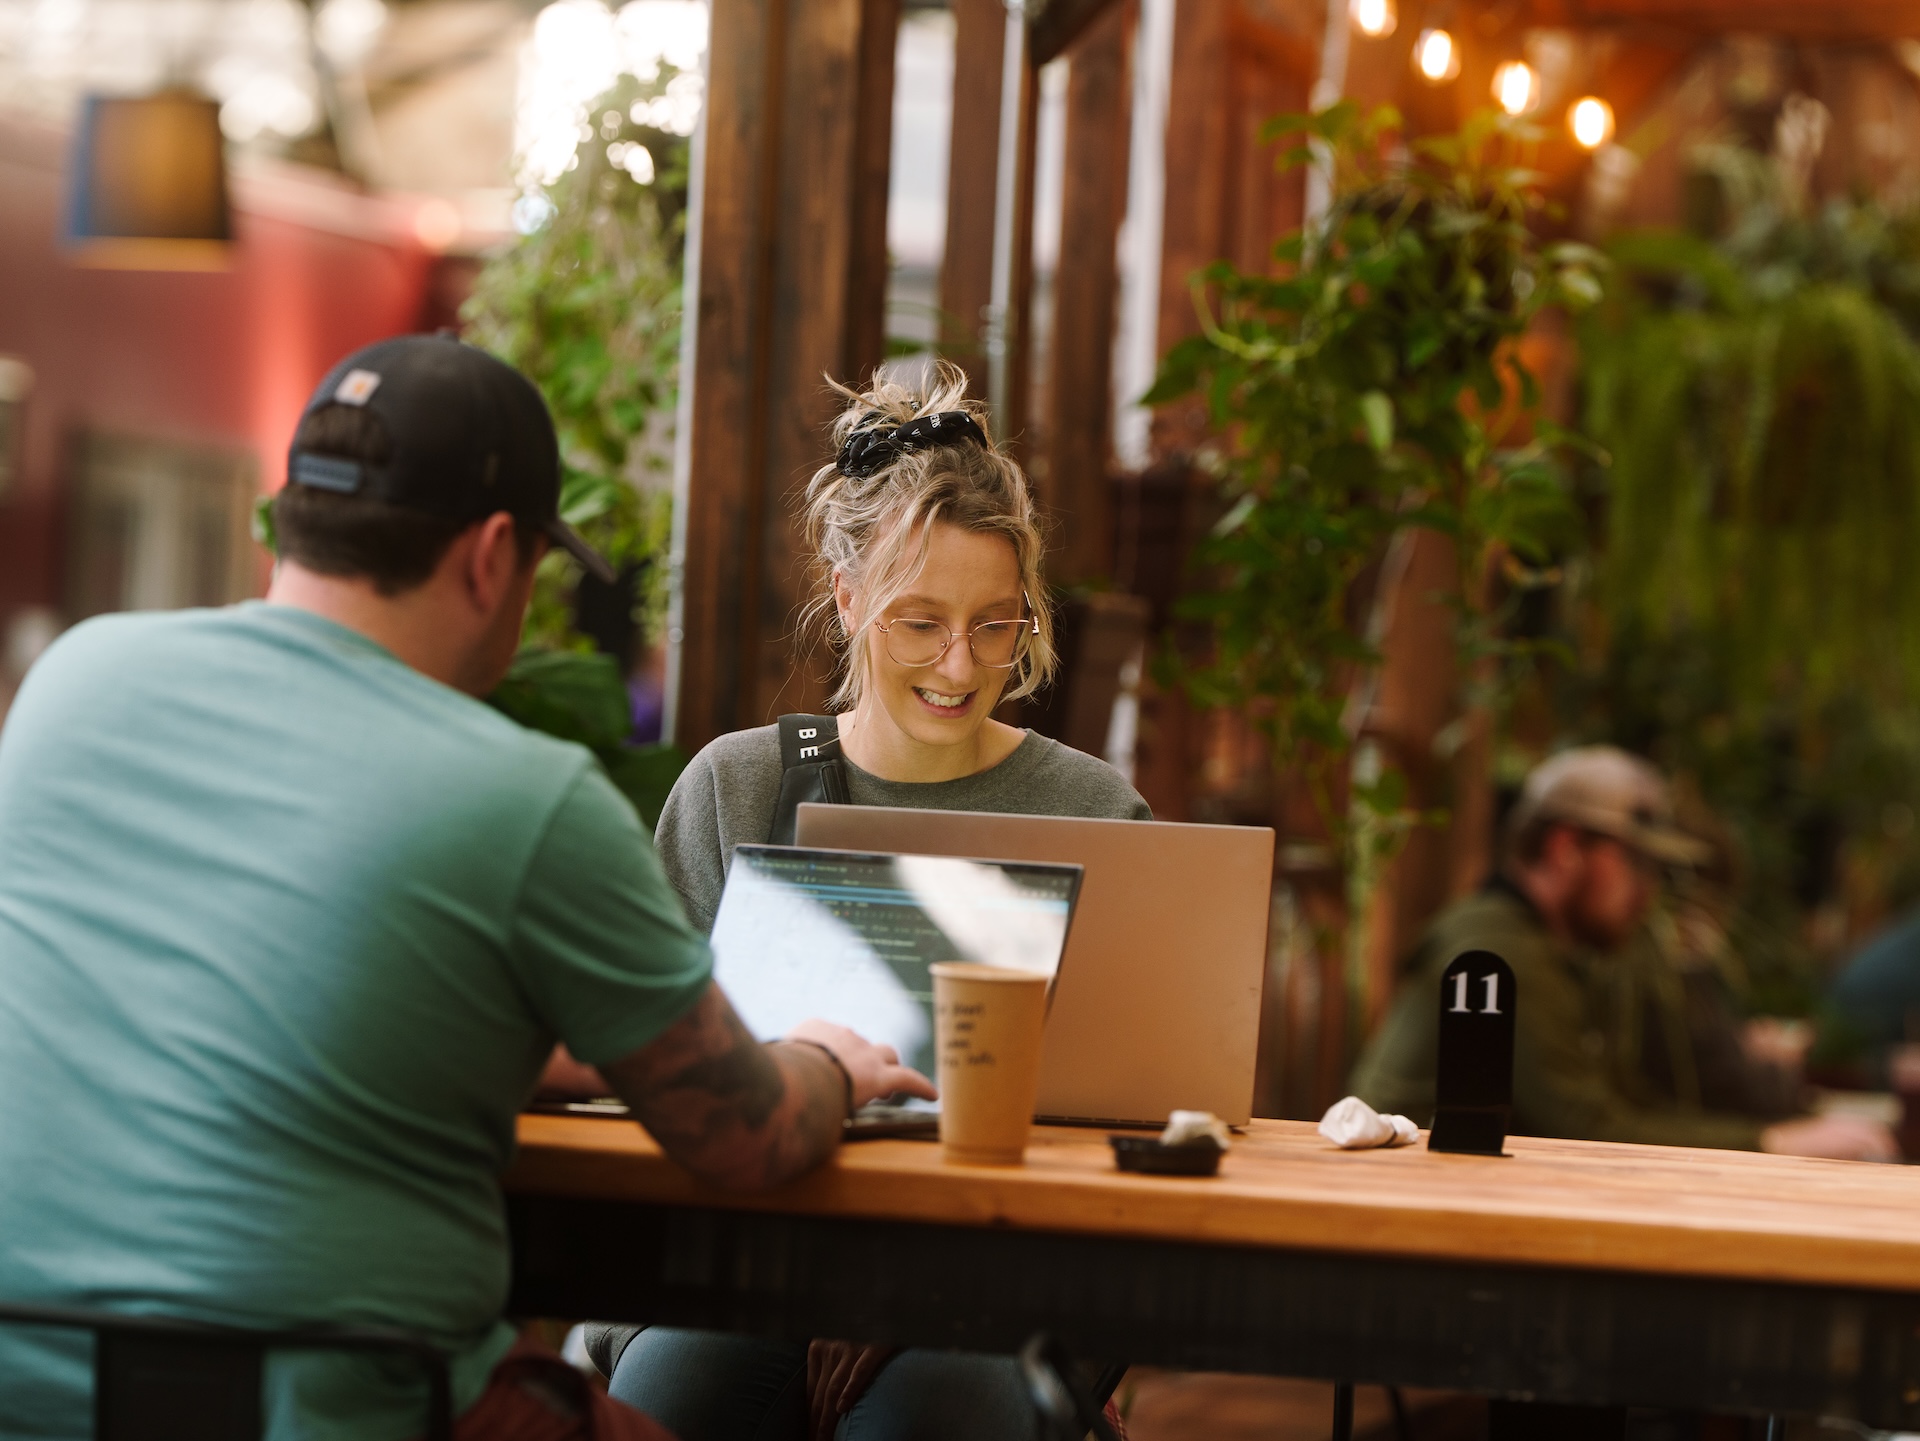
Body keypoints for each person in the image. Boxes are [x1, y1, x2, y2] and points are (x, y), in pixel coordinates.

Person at [0, 335, 931, 1440]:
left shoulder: (73, 683)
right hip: (341, 1401)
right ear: (495, 555)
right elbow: (749, 1136)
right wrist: (826, 1058)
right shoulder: (520, 796)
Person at [599, 361, 1150, 1441]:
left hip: (996, 1296)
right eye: (919, 622)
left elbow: (1125, 1138)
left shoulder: (1094, 811)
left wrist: (921, 1301)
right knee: (678, 1396)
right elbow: (648, 1093)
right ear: (847, 598)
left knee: (933, 1413)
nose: (962, 663)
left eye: (999, 624)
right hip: (736, 1270)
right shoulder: (737, 788)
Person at [1349, 747, 1895, 1160]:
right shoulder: (1498, 951)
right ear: (1565, 850)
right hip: (1400, 1223)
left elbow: (1623, 1102)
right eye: (1635, 862)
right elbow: (1583, 1124)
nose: (1650, 889)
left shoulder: (1546, 948)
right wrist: (1772, 1139)